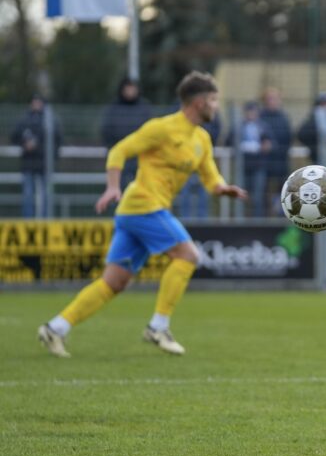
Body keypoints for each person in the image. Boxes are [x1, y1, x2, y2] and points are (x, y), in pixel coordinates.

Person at [36, 72, 248, 358]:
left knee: (114, 282)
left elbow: (211, 178)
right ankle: (158, 327)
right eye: (213, 100)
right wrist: (113, 186)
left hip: (136, 214)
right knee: (189, 255)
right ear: (198, 102)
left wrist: (225, 190)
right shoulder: (161, 128)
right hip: (143, 205)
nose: (216, 106)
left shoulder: (202, 139)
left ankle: (55, 328)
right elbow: (119, 151)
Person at [11, 94, 62, 218]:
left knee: (46, 195)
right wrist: (25, 145)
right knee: (28, 194)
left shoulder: (50, 121)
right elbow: (14, 136)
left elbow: (58, 140)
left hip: (44, 165)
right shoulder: (24, 120)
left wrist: (46, 153)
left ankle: (45, 219)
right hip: (28, 164)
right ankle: (28, 220)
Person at [101, 77, 152, 190]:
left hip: (139, 158)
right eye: (128, 88)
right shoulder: (113, 108)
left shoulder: (144, 108)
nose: (130, 91)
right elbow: (106, 131)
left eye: (132, 88)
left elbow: (151, 132)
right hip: (119, 158)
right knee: (118, 189)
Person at [175, 109, 222, 219]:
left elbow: (216, 130)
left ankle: (203, 223)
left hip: (202, 166)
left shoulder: (210, 113)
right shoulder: (184, 111)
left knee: (203, 198)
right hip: (186, 166)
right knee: (185, 196)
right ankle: (185, 222)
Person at [228, 102, 271, 218]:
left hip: (258, 165)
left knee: (257, 196)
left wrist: (265, 145)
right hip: (242, 166)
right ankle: (240, 219)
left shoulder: (263, 126)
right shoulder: (238, 127)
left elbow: (270, 143)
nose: (251, 114)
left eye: (253, 111)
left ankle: (258, 221)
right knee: (241, 195)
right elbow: (229, 140)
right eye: (249, 111)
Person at [259, 87, 293, 216]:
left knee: (283, 191)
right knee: (263, 192)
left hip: (281, 161)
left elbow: (288, 137)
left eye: (275, 98)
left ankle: (281, 216)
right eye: (269, 98)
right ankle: (264, 217)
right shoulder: (261, 117)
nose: (272, 101)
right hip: (264, 163)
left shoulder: (283, 118)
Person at [297, 92, 326, 166]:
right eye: (324, 103)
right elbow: (301, 134)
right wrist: (314, 145)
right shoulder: (313, 120)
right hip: (318, 156)